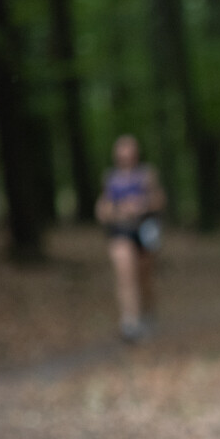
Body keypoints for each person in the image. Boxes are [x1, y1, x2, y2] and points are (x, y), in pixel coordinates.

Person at [94, 135, 166, 342]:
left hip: (144, 230)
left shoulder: (146, 174)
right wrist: (119, 210)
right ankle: (130, 321)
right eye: (122, 153)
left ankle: (147, 312)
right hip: (120, 231)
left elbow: (159, 200)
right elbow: (102, 209)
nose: (126, 157)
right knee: (125, 273)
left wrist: (142, 205)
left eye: (130, 152)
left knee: (144, 277)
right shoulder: (110, 178)